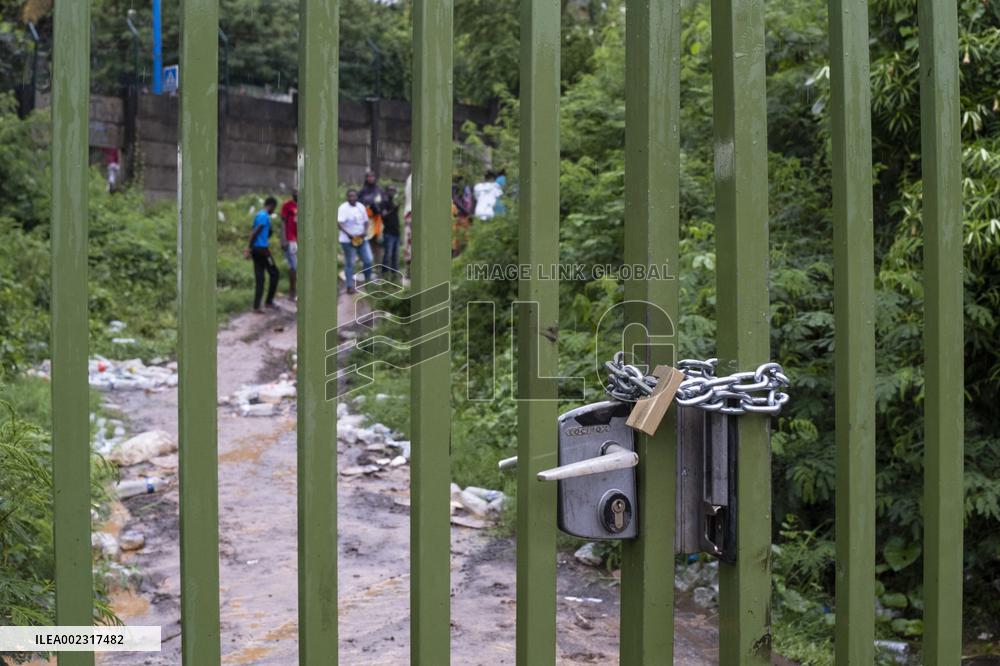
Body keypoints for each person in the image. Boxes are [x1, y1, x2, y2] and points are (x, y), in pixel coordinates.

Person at [244, 197, 280, 312]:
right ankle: (269, 302)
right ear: (271, 205)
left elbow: (255, 231)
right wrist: (247, 248)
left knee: (260, 278)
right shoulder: (264, 216)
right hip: (262, 250)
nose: (274, 210)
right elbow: (255, 232)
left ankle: (256, 306)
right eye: (274, 208)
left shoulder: (258, 215)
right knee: (275, 273)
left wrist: (250, 248)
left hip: (256, 249)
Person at [338, 189, 373, 294]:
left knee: (368, 260)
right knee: (350, 263)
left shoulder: (361, 206)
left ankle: (367, 283)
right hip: (347, 240)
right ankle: (349, 286)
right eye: (350, 196)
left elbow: (366, 221)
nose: (352, 198)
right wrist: (349, 235)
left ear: (357, 197)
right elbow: (339, 223)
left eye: (354, 196)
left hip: (362, 239)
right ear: (347, 197)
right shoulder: (343, 208)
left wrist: (365, 231)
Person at [359, 169, 384, 265]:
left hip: (377, 221)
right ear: (366, 178)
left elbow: (383, 204)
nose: (370, 178)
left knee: (377, 244)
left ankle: (378, 266)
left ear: (375, 178)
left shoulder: (379, 190)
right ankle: (366, 267)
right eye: (368, 176)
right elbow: (359, 205)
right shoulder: (362, 191)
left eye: (372, 176)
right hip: (366, 222)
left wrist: (376, 206)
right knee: (366, 243)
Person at [280, 189, 298, 301]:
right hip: (291, 239)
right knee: (294, 267)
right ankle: (292, 292)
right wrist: (283, 239)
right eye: (295, 193)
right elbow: (282, 223)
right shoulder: (287, 205)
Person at [380, 185, 401, 276]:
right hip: (388, 233)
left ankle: (394, 273)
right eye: (390, 190)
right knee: (388, 254)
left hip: (396, 232)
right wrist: (393, 209)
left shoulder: (394, 202)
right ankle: (384, 273)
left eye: (393, 190)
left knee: (395, 255)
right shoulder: (384, 203)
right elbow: (384, 216)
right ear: (386, 192)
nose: (392, 192)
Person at [452, 175, 474, 255]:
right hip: (460, 214)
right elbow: (455, 199)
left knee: (461, 235)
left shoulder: (465, 188)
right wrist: (467, 212)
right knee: (459, 235)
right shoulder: (454, 186)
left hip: (462, 215)